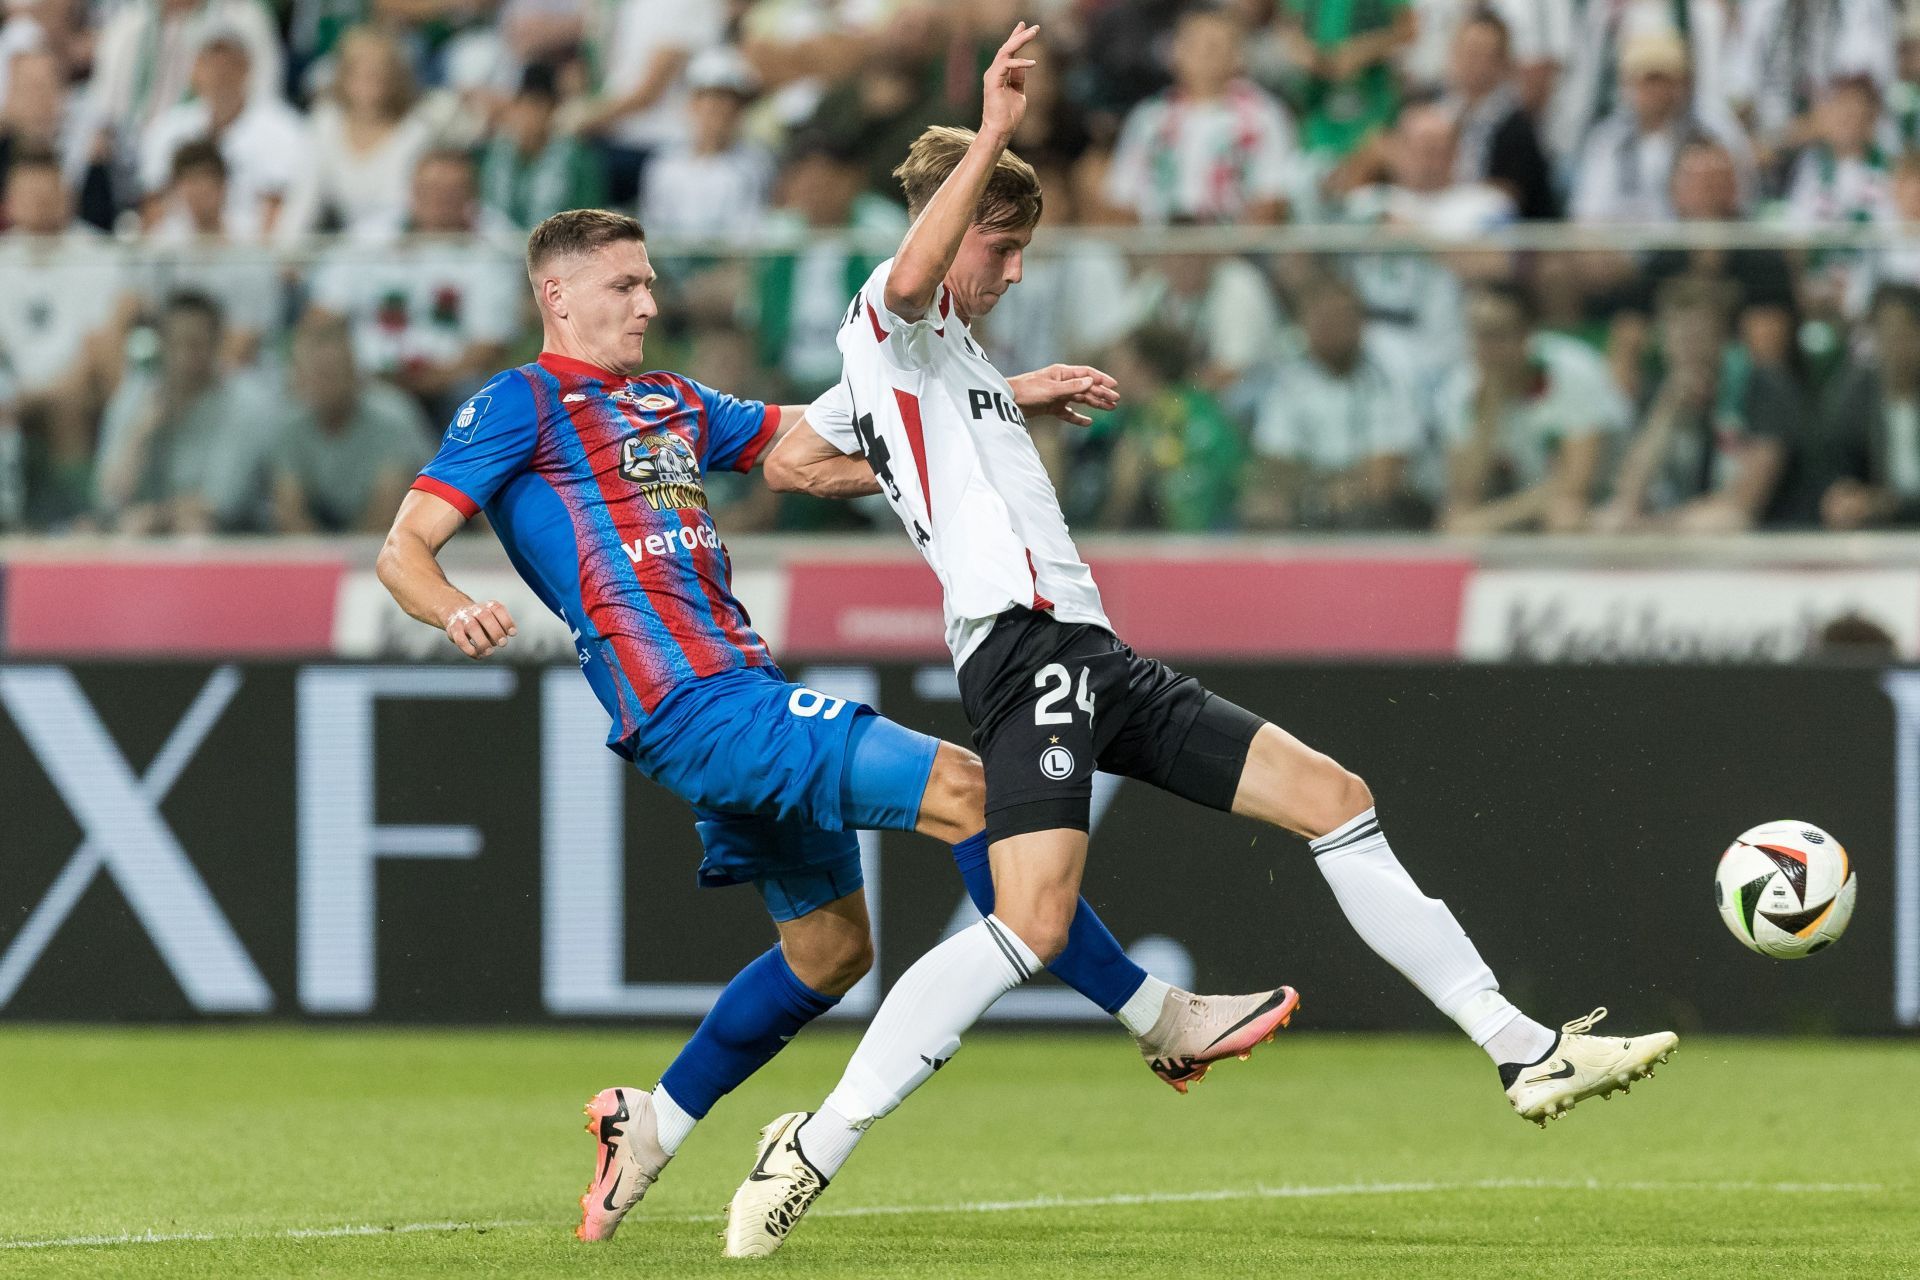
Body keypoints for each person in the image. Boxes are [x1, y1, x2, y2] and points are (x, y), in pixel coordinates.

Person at [729, 27, 1678, 1258]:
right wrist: (1002, 129)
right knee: (1027, 923)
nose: (1014, 275)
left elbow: (800, 463)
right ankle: (815, 1143)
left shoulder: (940, 365)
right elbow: (908, 292)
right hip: (1027, 650)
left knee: (1337, 798)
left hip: (1092, 653)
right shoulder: (887, 319)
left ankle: (1523, 1049)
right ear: (957, 229)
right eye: (1005, 250)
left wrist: (990, 407)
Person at [373, 206, 1292, 1247]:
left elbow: (813, 449)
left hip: (738, 692)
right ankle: (1160, 1019)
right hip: (700, 707)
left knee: (828, 952)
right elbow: (403, 548)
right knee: (976, 796)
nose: (650, 301)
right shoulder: (518, 404)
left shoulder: (670, 400)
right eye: (626, 285)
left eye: (650, 281)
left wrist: (990, 408)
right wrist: (453, 604)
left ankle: (649, 1124)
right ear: (558, 295)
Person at [1439, 282, 1630, 533]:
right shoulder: (1461, 387)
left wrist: (1489, 520)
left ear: (1526, 334)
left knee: (1565, 514)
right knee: (1456, 516)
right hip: (1522, 500)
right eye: (1477, 334)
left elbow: (1574, 483)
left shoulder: (1571, 372)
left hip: (1603, 499)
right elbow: (1464, 489)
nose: (1485, 348)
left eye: (1496, 334)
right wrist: (1490, 405)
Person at [92, 290, 275, 533]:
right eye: (175, 342)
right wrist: (140, 434)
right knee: (128, 528)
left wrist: (156, 516)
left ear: (217, 344)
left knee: (193, 528)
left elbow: (222, 501)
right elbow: (108, 497)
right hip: (147, 526)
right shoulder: (134, 395)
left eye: (196, 344)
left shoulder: (244, 402)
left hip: (231, 535)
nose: (184, 356)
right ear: (161, 344)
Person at [1104, 7, 1297, 224]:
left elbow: (1271, 201)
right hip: (1157, 248)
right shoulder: (1148, 118)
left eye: (1214, 46)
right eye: (1193, 44)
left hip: (1232, 247)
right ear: (1174, 51)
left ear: (1237, 57)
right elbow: (1121, 201)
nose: (1203, 55)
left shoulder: (1264, 116)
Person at [271, 313, 434, 533]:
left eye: (333, 373)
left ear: (356, 374)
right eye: (315, 374)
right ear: (299, 379)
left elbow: (391, 508)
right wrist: (319, 557)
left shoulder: (392, 417)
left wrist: (349, 560)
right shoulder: (288, 426)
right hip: (322, 535)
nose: (324, 384)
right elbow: (288, 511)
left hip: (401, 532)